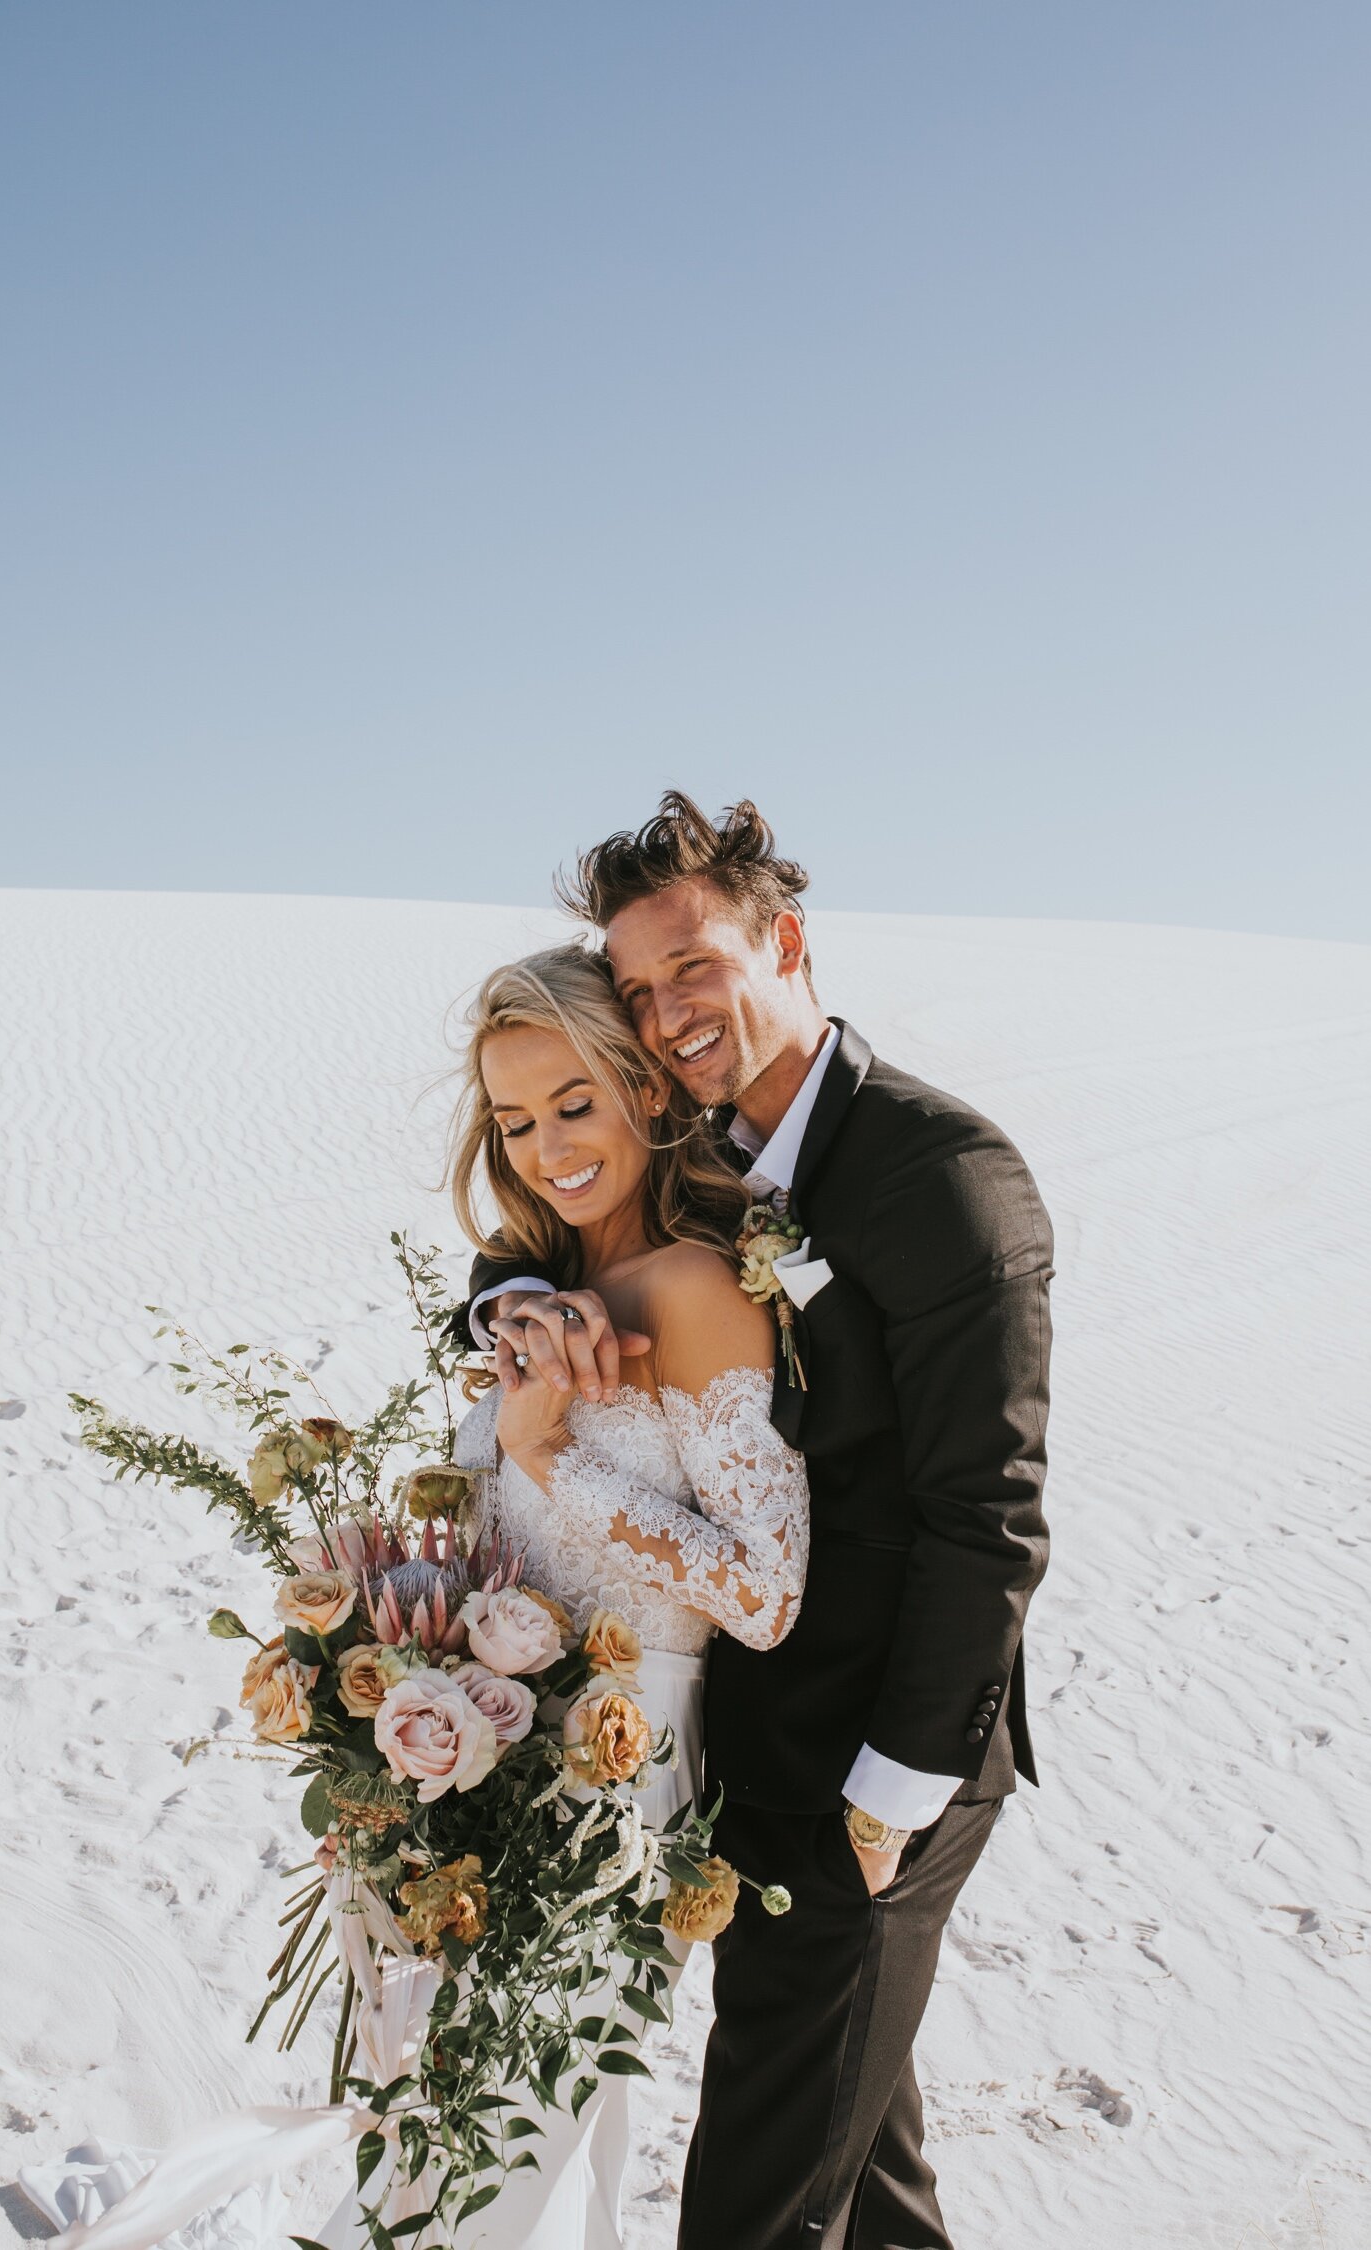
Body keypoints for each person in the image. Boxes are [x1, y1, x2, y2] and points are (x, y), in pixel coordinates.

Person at [459, 791, 1054, 2250]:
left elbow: (991, 1519)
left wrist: (894, 1794)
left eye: (694, 967)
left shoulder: (946, 1180)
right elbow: (559, 1224)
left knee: (757, 2201)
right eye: (641, 989)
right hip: (742, 1734)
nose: (667, 1014)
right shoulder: (698, 1139)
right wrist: (521, 1306)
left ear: (784, 939)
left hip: (873, 1758)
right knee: (865, 2172)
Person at [325, 939, 811, 2250]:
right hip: (470, 1762)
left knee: (495, 2173)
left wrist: (545, 1447)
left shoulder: (702, 1293)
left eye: (575, 1101)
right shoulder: (533, 1292)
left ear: (652, 1093)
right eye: (516, 1117)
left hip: (616, 1786)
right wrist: (375, 1723)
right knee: (410, 2160)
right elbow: (496, 1541)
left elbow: (765, 1593)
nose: (546, 1144)